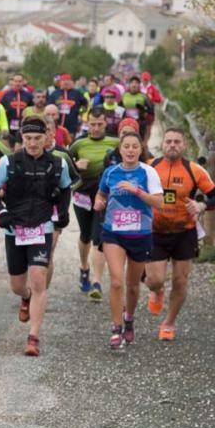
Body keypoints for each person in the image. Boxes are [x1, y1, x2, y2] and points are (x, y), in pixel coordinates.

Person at [0, 117, 72, 356]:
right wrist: (1, 211)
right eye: (28, 139)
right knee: (17, 285)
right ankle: (24, 298)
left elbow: (66, 189)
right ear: (22, 139)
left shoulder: (58, 164)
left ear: (46, 137)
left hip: (42, 227)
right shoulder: (9, 162)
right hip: (15, 228)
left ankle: (33, 336)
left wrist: (63, 213)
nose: (33, 143)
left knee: (38, 278)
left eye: (37, 138)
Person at [145, 128, 215, 340]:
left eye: (177, 142)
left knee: (181, 280)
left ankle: (169, 323)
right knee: (155, 279)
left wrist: (201, 206)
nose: (172, 145)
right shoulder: (150, 167)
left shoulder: (195, 170)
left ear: (184, 145)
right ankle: (157, 290)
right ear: (162, 144)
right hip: (155, 231)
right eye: (169, 141)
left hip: (184, 232)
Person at [93, 130, 164, 350]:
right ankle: (116, 328)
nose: (131, 150)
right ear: (120, 150)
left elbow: (159, 203)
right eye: (127, 146)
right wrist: (98, 202)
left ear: (141, 149)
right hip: (113, 232)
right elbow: (102, 193)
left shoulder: (148, 172)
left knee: (132, 286)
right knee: (116, 281)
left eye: (135, 146)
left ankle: (129, 318)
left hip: (140, 234)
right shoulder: (110, 172)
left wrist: (137, 191)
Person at [69, 108, 121, 299]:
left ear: (106, 123)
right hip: (83, 195)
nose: (96, 128)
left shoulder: (115, 142)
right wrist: (76, 166)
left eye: (100, 124)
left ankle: (97, 282)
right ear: (87, 124)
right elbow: (66, 166)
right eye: (93, 124)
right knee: (85, 236)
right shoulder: (78, 143)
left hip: (105, 197)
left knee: (97, 237)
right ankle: (84, 268)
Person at [43, 117, 76, 289]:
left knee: (47, 253)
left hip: (55, 211)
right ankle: (30, 289)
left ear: (54, 131)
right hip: (31, 211)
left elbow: (76, 180)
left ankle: (41, 293)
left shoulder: (63, 154)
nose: (45, 134)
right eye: (42, 130)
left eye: (49, 130)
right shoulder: (26, 155)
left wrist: (62, 193)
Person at [48, 73, 89, 138]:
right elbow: (48, 107)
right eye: (63, 80)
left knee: (70, 145)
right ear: (60, 82)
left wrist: (79, 112)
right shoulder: (55, 94)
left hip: (71, 127)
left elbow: (85, 103)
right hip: (56, 127)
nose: (66, 82)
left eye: (68, 80)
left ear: (71, 82)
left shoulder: (77, 93)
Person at [0, 73, 34, 139]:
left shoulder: (28, 95)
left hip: (24, 124)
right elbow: (1, 109)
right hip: (10, 123)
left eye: (20, 81)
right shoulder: (7, 95)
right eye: (16, 81)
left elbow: (32, 109)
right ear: (13, 82)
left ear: (23, 82)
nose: (18, 83)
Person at [120, 76, 155, 141]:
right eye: (132, 83)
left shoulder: (143, 96)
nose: (134, 85)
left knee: (139, 142)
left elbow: (151, 110)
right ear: (129, 85)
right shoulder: (124, 95)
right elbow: (119, 108)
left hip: (140, 122)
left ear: (139, 85)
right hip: (126, 122)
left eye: (136, 83)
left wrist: (143, 108)